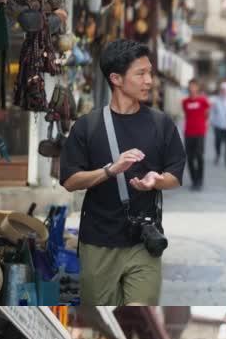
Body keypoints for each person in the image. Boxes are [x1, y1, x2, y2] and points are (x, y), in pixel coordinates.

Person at [59, 39, 186, 306]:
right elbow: (70, 181)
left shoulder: (161, 124)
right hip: (98, 243)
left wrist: (157, 180)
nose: (149, 81)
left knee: (139, 311)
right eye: (140, 73)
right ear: (116, 78)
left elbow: (175, 174)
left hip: (145, 242)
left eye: (149, 72)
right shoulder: (88, 126)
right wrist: (110, 170)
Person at [180, 80, 209, 191]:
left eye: (194, 86)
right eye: (190, 86)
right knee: (190, 158)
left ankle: (200, 180)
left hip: (200, 133)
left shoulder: (203, 100)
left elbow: (207, 113)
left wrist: (202, 124)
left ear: (197, 87)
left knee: (199, 156)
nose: (192, 88)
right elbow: (187, 115)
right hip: (188, 133)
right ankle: (194, 180)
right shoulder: (185, 102)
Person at [209, 81, 226, 165]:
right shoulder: (216, 100)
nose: (223, 91)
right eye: (222, 90)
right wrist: (211, 121)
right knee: (217, 142)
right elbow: (212, 111)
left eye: (225, 90)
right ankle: (218, 155)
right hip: (217, 125)